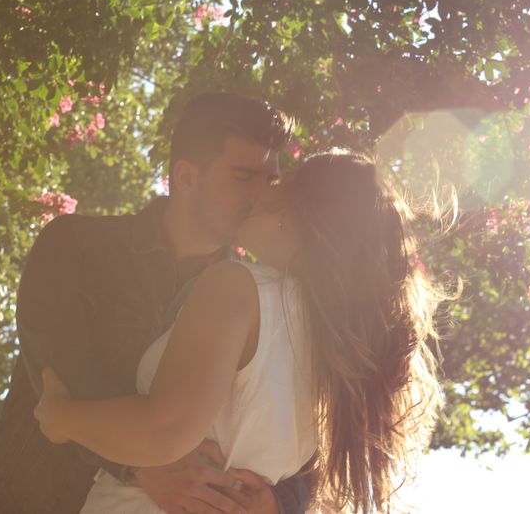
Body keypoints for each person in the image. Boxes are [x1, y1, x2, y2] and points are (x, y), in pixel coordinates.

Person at [34, 150, 443, 513]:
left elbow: (165, 430)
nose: (258, 196)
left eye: (277, 185)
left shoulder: (238, 287)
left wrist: (61, 417)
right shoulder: (339, 355)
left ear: (299, 212)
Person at [0, 92, 311, 514]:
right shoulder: (74, 245)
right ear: (186, 177)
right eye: (242, 178)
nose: (260, 198)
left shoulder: (262, 301)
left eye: (269, 182)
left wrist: (280, 502)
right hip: (25, 500)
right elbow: (61, 378)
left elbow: (311, 425)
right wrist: (143, 461)